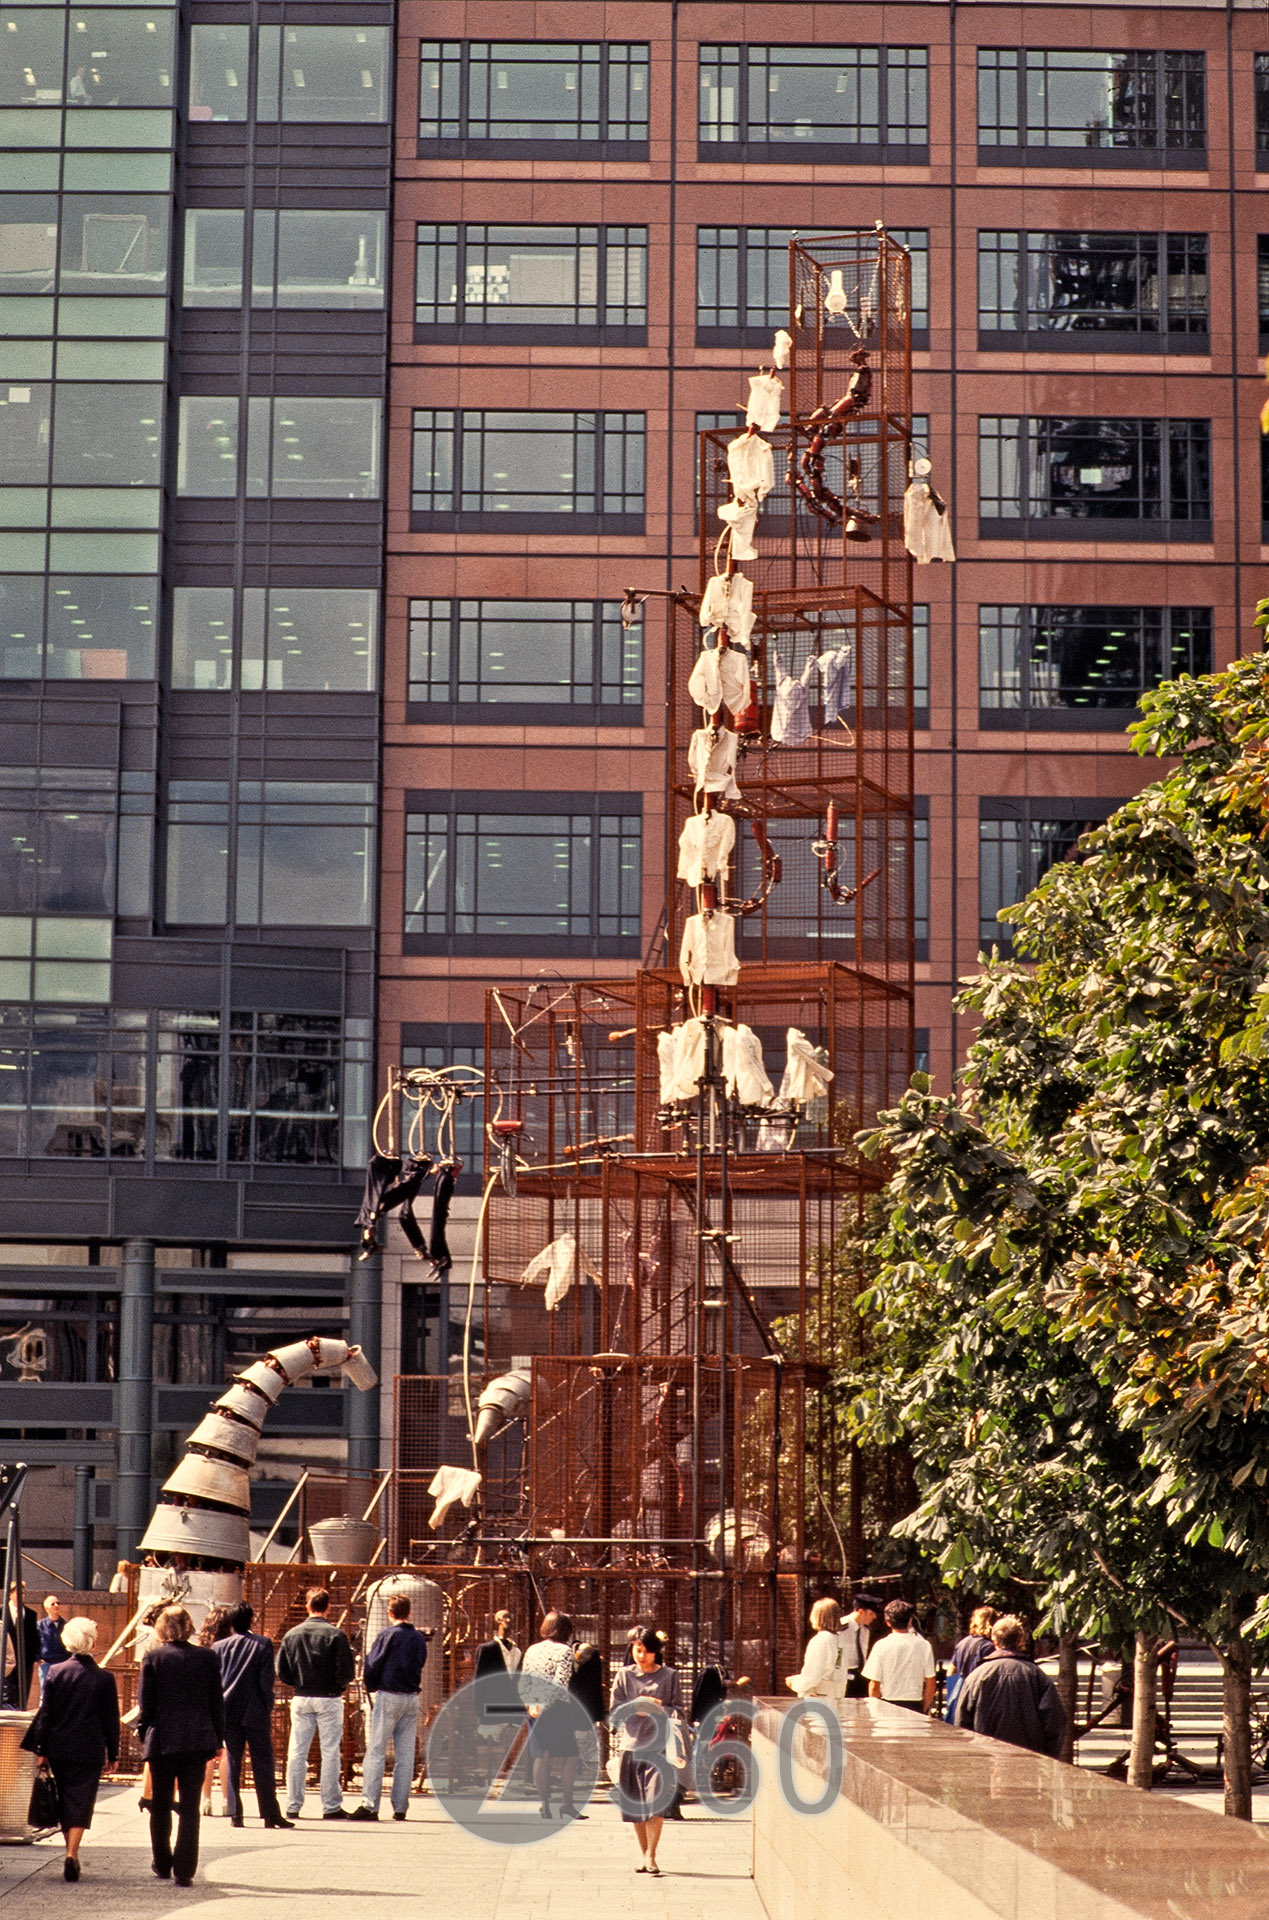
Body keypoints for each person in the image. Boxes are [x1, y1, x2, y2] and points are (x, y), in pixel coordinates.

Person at [20, 1616, 119, 1883]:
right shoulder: (104, 1678)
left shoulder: (55, 1672)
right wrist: (114, 1753)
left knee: (64, 1799)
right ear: (92, 1641)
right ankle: (72, 1853)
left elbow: (47, 1714)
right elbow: (111, 1719)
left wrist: (40, 1749)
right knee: (82, 1801)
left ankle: (69, 1851)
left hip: (59, 1747)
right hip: (90, 1749)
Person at [137, 1604, 225, 1888]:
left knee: (160, 1804)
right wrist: (218, 1739)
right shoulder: (208, 1657)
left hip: (162, 1739)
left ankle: (162, 1861)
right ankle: (185, 1868)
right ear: (189, 1627)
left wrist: (144, 1732)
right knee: (190, 1806)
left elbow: (145, 1703)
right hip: (198, 1740)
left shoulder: (153, 1657)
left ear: (162, 1627)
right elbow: (216, 1702)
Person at [609, 1627, 685, 1877]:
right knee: (636, 1808)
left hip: (659, 1747)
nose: (641, 1655)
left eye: (647, 1651)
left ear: (656, 1652)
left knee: (656, 1804)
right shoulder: (623, 1675)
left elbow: (679, 1711)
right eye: (637, 1650)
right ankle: (643, 1854)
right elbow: (615, 1712)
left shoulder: (670, 1676)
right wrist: (634, 1706)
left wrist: (660, 1708)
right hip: (631, 1746)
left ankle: (652, 1855)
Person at [277, 1587, 355, 1820]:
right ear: (328, 1607)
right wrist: (338, 1685)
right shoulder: (336, 1635)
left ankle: (293, 1804)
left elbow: (282, 1670)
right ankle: (331, 1806)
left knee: (297, 1752)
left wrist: (297, 1684)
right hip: (329, 1698)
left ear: (307, 1606)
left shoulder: (292, 1635)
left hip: (301, 1697)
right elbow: (347, 1671)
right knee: (330, 1752)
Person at [352, 1593, 429, 1822]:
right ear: (409, 1612)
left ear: (390, 1613)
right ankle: (401, 1806)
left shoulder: (387, 1635)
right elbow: (421, 1662)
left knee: (376, 1751)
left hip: (389, 1695)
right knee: (405, 1755)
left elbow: (372, 1663)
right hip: (411, 1697)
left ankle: (370, 1805)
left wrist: (372, 1686)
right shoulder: (418, 1637)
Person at [217, 1601, 291, 1830]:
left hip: (227, 1711)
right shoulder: (263, 1644)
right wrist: (267, 1706)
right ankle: (270, 1814)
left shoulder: (218, 1647)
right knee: (263, 1762)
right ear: (251, 1620)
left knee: (233, 1760)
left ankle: (235, 1814)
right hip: (255, 1710)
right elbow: (265, 1681)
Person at [953, 1615, 1067, 1757]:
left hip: (987, 1758)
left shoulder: (976, 1676)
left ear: (994, 1640)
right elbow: (1055, 1722)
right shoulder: (1036, 1675)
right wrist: (1047, 1757)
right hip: (1028, 1758)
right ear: (1020, 1640)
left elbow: (962, 1722)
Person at [520, 1611, 580, 1820]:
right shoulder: (565, 1651)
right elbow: (560, 1682)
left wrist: (530, 1702)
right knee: (570, 1756)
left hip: (534, 1707)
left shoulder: (532, 1650)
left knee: (541, 1755)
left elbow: (524, 1680)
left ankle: (544, 1804)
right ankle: (567, 1804)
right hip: (557, 1709)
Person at [862, 1598, 936, 1713]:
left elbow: (874, 1685)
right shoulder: (924, 1645)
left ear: (888, 1622)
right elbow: (931, 1682)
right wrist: (923, 1708)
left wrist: (876, 1710)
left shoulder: (881, 1645)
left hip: (887, 1705)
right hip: (914, 1705)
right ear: (910, 1621)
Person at [197, 1605, 234, 1816]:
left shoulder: (202, 1650)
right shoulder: (230, 1648)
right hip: (227, 1701)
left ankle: (206, 1799)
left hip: (204, 1704)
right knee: (228, 1751)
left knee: (207, 1755)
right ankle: (227, 1801)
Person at [786, 1596, 848, 1701]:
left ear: (817, 1617)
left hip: (818, 1698)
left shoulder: (819, 1641)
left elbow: (812, 1677)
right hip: (837, 1697)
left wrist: (794, 1683)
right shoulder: (841, 1641)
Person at [838, 1592, 882, 1699]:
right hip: (843, 1677)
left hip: (860, 1677)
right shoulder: (841, 1627)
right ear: (861, 1612)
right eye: (871, 1614)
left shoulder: (865, 1630)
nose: (874, 1617)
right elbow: (837, 1656)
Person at [3, 1584, 39, 1707]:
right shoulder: (2, 1611)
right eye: (18, 1593)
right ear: (10, 1594)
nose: (21, 1596)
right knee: (7, 1696)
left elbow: (34, 1638)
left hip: (25, 1662)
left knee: (21, 1695)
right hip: (6, 1662)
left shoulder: (30, 1614)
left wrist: (34, 1657)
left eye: (23, 1593)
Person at [38, 1595, 67, 1692]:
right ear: (46, 1608)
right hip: (47, 1664)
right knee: (46, 1693)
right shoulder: (40, 1625)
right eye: (53, 1604)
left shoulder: (66, 1625)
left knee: (63, 1692)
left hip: (63, 1663)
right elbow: (32, 1643)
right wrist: (38, 1659)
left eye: (58, 1603)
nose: (56, 1605)